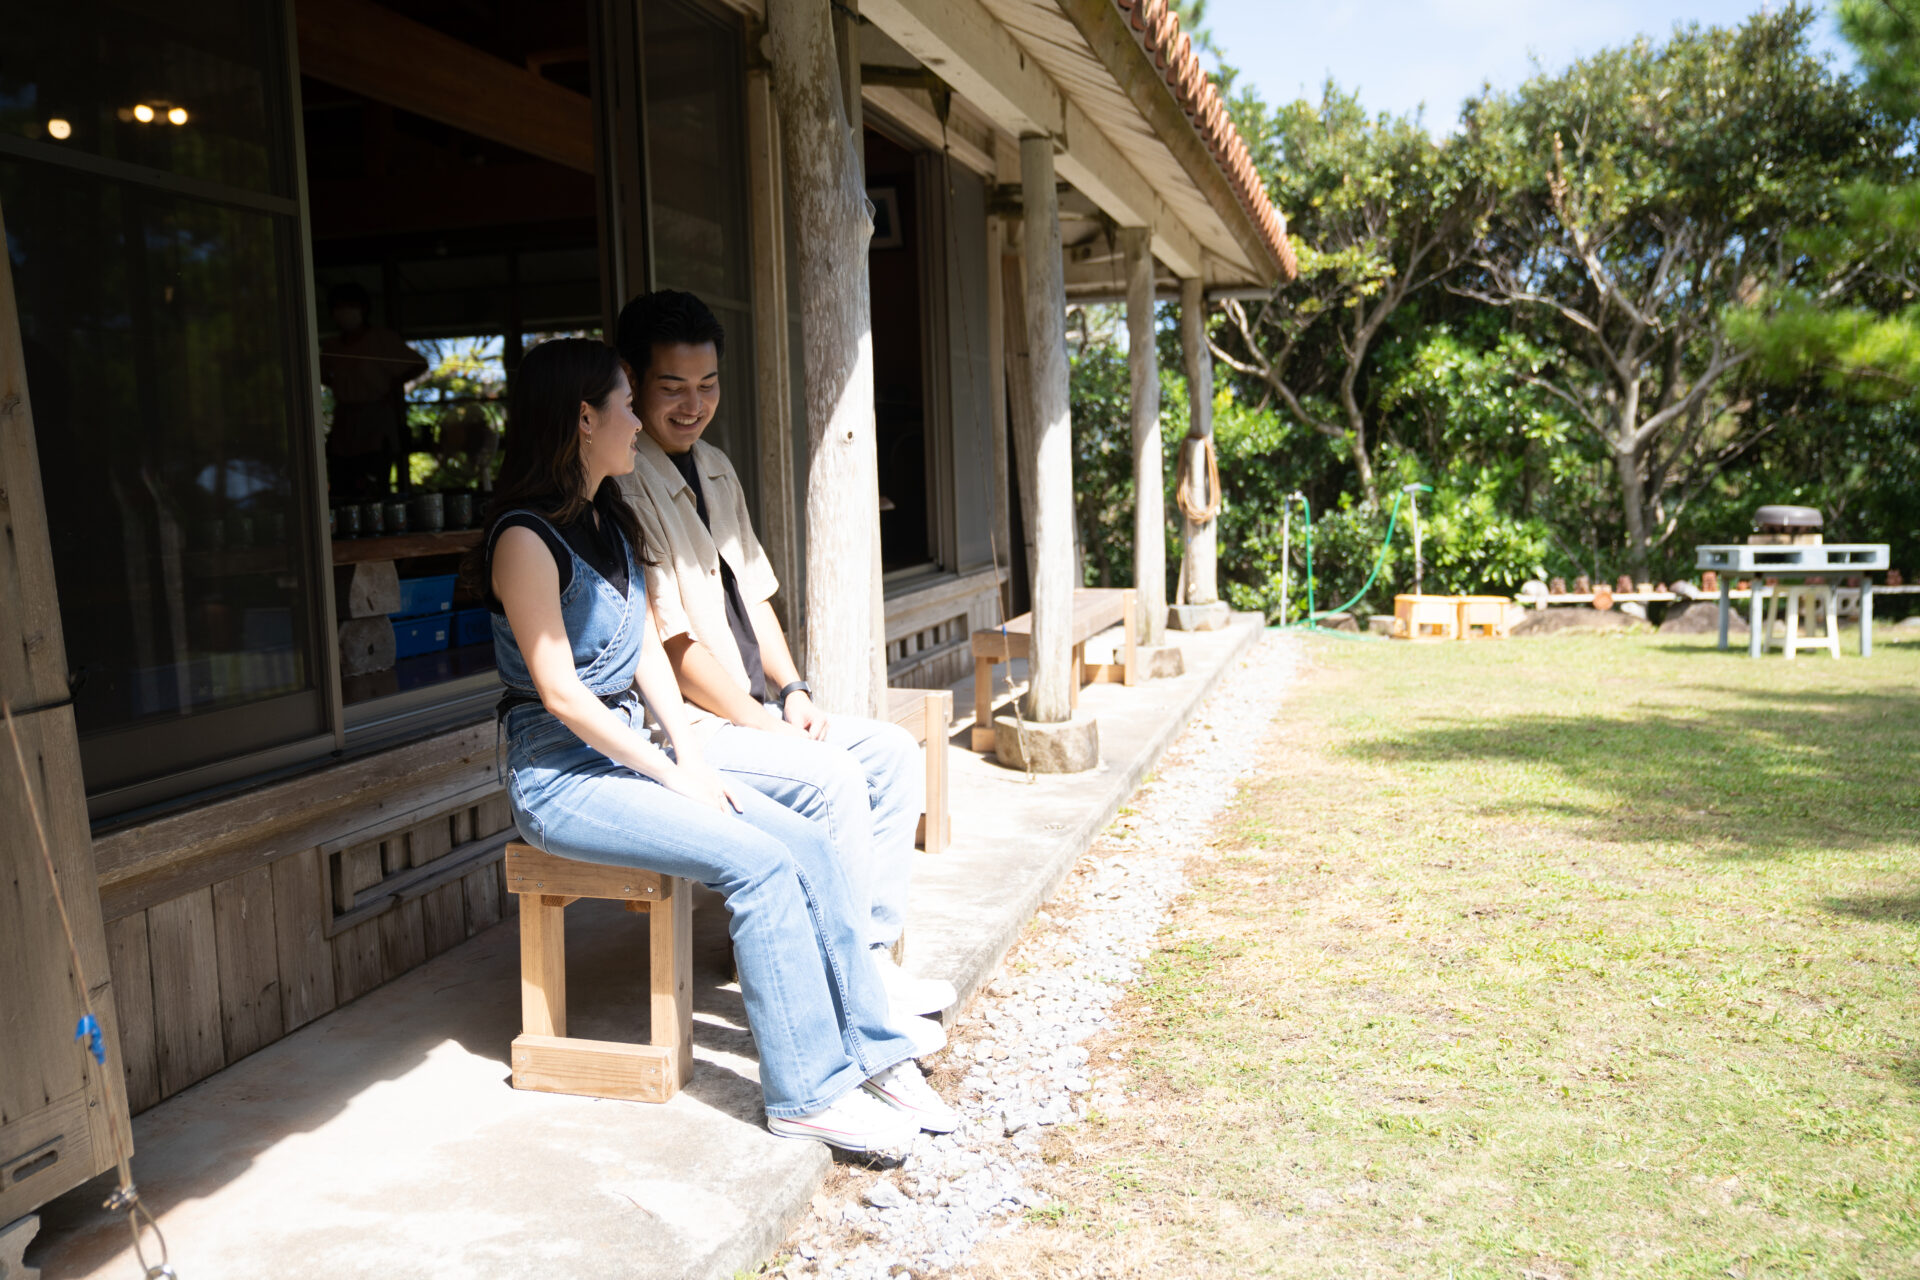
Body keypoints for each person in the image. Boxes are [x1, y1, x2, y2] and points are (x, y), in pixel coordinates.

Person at [479, 336, 956, 1150]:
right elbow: (561, 694)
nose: (639, 422)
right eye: (627, 406)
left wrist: (690, 758)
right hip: (561, 779)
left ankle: (876, 1052)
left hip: (631, 753)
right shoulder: (524, 539)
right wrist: (672, 774)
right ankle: (806, 1091)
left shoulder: (607, 519)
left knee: (806, 842)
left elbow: (643, 657)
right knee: (759, 864)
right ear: (584, 418)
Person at [610, 290, 954, 1022]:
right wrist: (761, 724)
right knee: (835, 776)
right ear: (631, 381)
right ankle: (847, 984)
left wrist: (793, 689)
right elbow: (671, 647)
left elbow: (756, 593)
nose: (693, 405)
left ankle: (867, 956)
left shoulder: (715, 465)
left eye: (707, 385)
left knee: (892, 754)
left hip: (750, 710)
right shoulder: (623, 479)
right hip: (688, 731)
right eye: (673, 387)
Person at [319, 283, 426, 499]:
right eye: (338, 306)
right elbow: (320, 373)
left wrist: (391, 386)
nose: (344, 311)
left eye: (349, 305)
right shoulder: (332, 346)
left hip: (375, 423)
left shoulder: (381, 339)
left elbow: (418, 364)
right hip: (344, 424)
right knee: (342, 486)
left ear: (363, 308)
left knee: (373, 486)